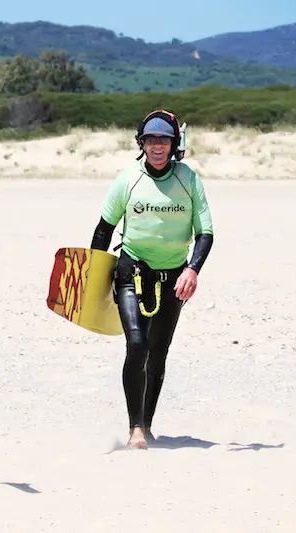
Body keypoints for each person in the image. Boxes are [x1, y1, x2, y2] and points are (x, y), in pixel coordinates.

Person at [89, 109, 214, 450]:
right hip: (132, 273)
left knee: (159, 352)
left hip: (174, 277)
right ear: (141, 143)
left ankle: (147, 423)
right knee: (138, 345)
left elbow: (205, 233)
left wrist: (192, 270)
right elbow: (103, 230)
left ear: (175, 144)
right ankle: (135, 430)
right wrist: (95, 283)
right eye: (151, 139)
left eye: (164, 139)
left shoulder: (189, 180)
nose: (157, 146)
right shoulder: (127, 179)